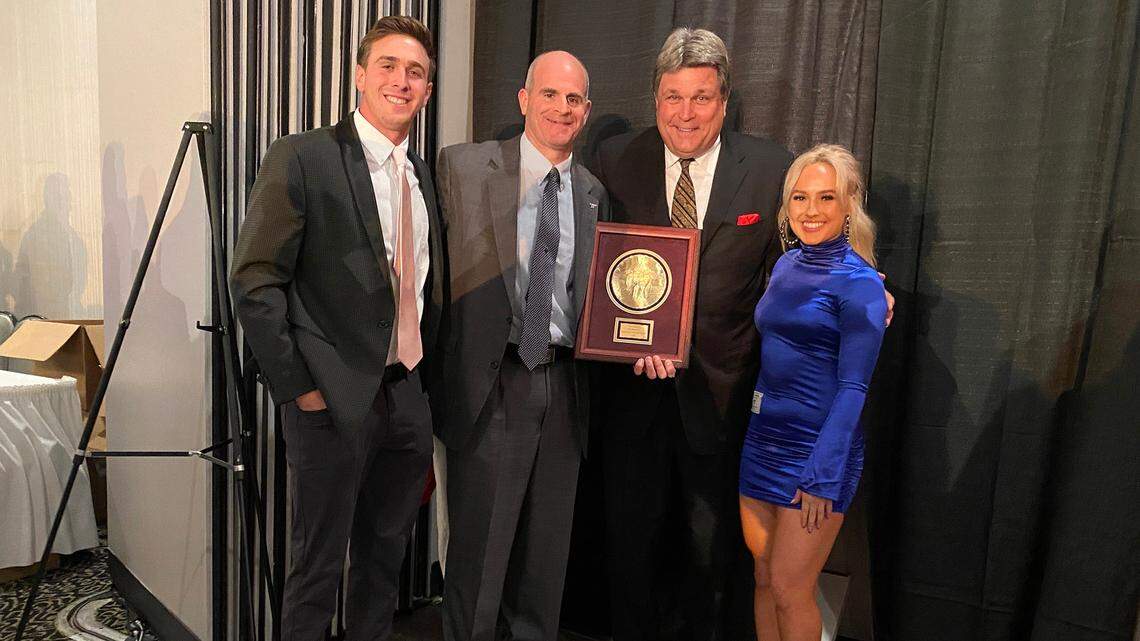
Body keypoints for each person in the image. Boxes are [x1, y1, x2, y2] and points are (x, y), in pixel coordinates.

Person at [229, 16, 446, 641]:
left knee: (383, 561)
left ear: (427, 89)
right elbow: (254, 280)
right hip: (328, 401)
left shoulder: (420, 174)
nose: (401, 82)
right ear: (358, 74)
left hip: (406, 397)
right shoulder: (304, 157)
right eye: (388, 66)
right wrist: (301, 389)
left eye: (416, 72)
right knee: (317, 568)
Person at [591, 27, 793, 641]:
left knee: (711, 562)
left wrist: (862, 283)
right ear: (656, 98)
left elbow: (803, 253)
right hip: (630, 400)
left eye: (701, 97)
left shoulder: (770, 168)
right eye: (674, 97)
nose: (686, 113)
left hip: (720, 400)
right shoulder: (612, 160)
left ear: (724, 102)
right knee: (628, 556)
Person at [433, 51, 609, 641]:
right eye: (551, 94)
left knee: (546, 557)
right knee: (479, 558)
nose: (563, 108)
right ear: (523, 98)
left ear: (587, 111)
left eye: (575, 99)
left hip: (563, 387)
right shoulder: (461, 167)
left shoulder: (591, 192)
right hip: (490, 382)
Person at [739, 144, 886, 640]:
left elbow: (854, 387)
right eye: (800, 198)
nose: (811, 210)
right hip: (762, 442)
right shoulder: (786, 266)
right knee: (762, 579)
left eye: (826, 198)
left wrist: (824, 471)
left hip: (817, 453)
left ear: (849, 205)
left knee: (789, 587)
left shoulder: (861, 282)